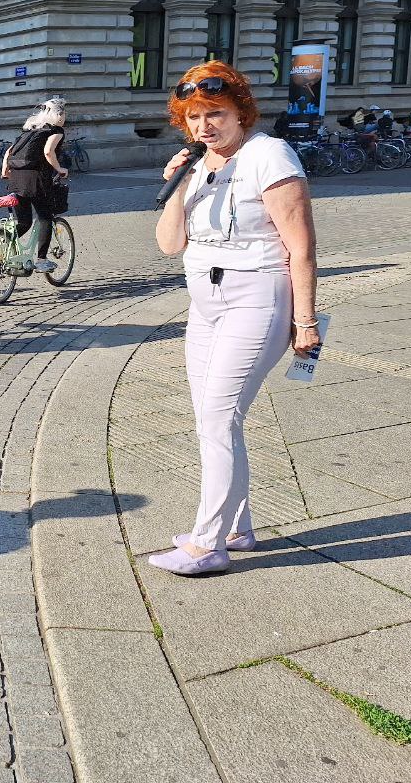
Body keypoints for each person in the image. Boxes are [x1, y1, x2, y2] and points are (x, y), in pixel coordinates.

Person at [151, 61, 319, 576]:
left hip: (256, 299)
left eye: (215, 114)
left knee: (219, 419)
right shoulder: (197, 165)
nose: (204, 126)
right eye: (194, 117)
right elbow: (169, 244)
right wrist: (180, 183)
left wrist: (306, 322)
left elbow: (302, 246)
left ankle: (207, 544)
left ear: (240, 111)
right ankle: (237, 528)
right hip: (205, 305)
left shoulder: (269, 155)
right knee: (213, 418)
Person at [0, 98, 69, 272]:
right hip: (36, 181)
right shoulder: (56, 131)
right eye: (64, 113)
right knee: (45, 217)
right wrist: (60, 169)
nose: (65, 117)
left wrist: (5, 171)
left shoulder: (30, 130)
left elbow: (9, 151)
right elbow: (48, 152)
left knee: (24, 222)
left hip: (16, 179)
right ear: (59, 115)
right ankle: (41, 260)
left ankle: (2, 244)